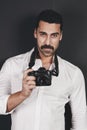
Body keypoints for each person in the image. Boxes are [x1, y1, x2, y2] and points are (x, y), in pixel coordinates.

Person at [0, 9, 87, 130]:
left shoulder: (74, 73)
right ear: (35, 33)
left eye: (54, 36)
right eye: (43, 34)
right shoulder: (12, 65)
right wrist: (22, 94)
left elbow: (80, 118)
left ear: (61, 36)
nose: (47, 42)